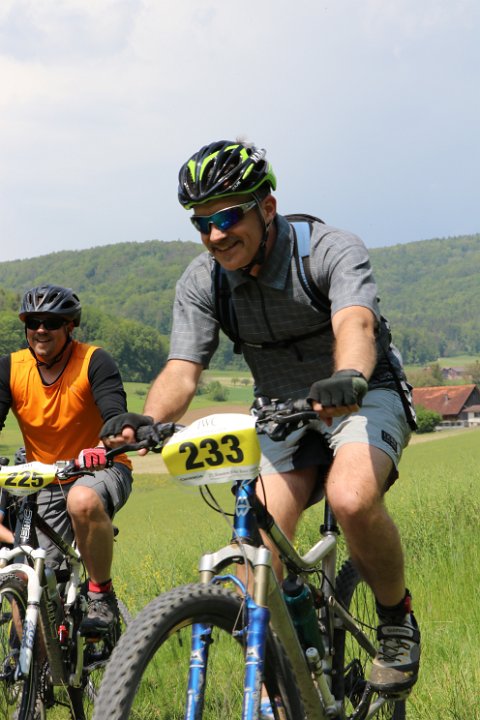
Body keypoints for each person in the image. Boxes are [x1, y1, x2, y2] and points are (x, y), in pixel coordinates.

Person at [101, 140, 420, 700]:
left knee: (350, 498)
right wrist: (145, 420)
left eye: (227, 217)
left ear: (267, 208)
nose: (215, 235)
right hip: (280, 409)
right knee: (255, 554)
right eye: (201, 223)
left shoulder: (328, 249)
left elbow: (356, 324)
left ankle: (396, 620)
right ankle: (283, 685)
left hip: (360, 391)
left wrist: (348, 375)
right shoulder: (203, 280)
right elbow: (183, 369)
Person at [0, 285, 133, 636]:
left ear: (70, 326)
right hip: (44, 478)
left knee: (82, 499)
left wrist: (105, 445)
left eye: (52, 322)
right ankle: (35, 666)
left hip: (101, 468)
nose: (41, 329)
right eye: (33, 322)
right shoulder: (11, 367)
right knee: (33, 578)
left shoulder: (94, 361)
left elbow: (114, 415)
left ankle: (101, 595)